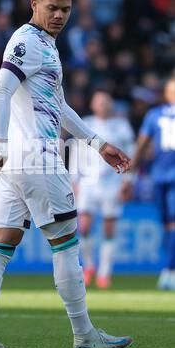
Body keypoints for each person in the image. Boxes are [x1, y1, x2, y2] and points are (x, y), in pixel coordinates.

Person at [0, 0, 133, 348]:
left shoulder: (45, 45)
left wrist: (96, 143)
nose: (59, 15)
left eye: (66, 9)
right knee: (67, 244)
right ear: (34, 4)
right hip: (36, 158)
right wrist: (1, 148)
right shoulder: (28, 41)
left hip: (15, 166)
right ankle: (84, 334)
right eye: (52, 7)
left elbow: (57, 106)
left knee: (0, 245)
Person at [72, 90, 134, 288]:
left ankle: (105, 272)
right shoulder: (85, 123)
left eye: (106, 101)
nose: (102, 105)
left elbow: (131, 154)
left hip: (112, 182)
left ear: (111, 104)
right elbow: (75, 152)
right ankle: (89, 265)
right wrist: (74, 180)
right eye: (99, 102)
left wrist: (128, 180)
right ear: (92, 105)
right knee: (84, 227)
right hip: (87, 182)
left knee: (109, 228)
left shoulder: (121, 125)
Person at [122, 78, 175, 290]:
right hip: (160, 177)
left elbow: (141, 145)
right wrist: (129, 178)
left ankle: (169, 271)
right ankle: (170, 269)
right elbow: (142, 145)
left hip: (164, 176)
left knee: (171, 224)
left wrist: (130, 176)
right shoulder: (154, 115)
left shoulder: (154, 115)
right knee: (168, 225)